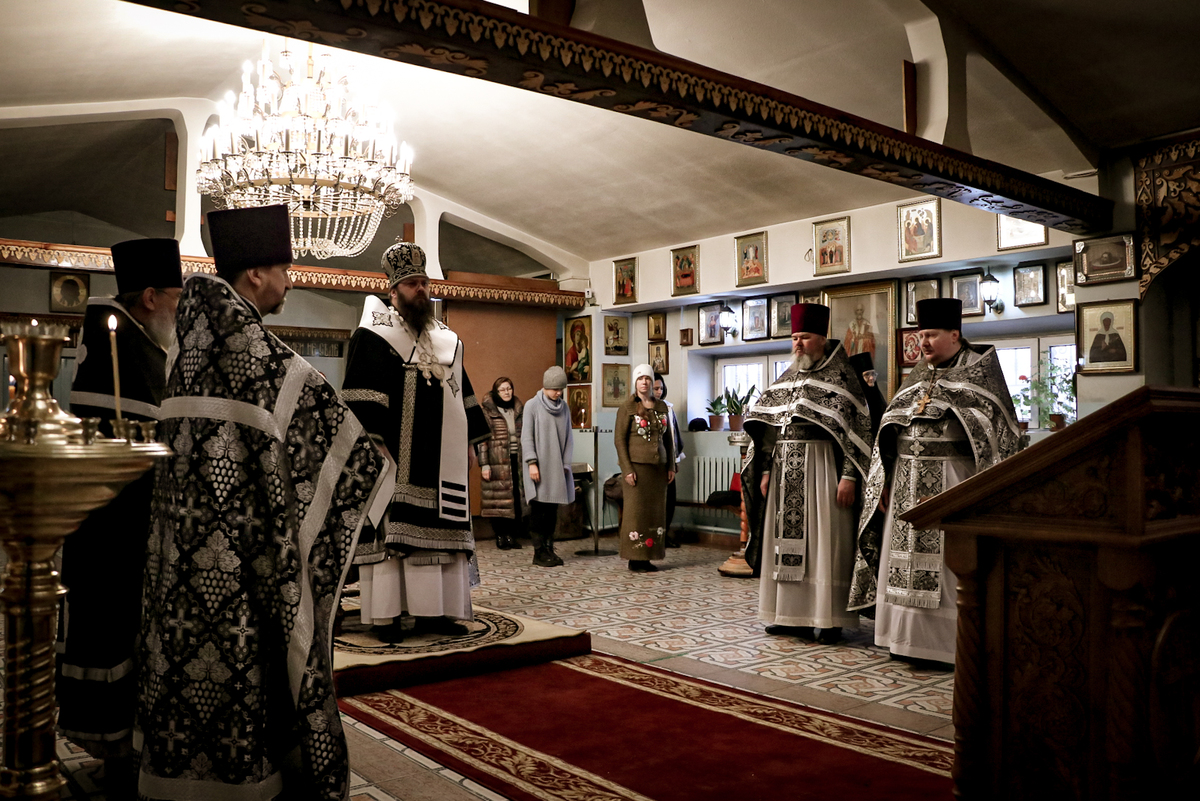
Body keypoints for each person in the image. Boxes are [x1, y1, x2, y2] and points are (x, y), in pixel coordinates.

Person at [135, 205, 387, 801]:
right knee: (246, 669)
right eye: (284, 269)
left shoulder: (184, 348)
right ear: (254, 275)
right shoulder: (256, 353)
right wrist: (372, 464)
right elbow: (339, 445)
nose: (289, 281)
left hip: (177, 569)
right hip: (241, 568)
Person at [58, 237, 182, 791]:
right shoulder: (119, 347)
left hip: (133, 523)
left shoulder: (143, 344)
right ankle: (114, 752)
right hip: (114, 529)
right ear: (150, 297)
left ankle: (132, 746)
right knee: (113, 632)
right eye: (176, 298)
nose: (180, 311)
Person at [849, 298, 1021, 666]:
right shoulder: (917, 378)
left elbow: (1000, 434)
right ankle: (902, 639)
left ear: (955, 334)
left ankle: (944, 646)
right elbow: (889, 431)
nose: (923, 342)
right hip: (904, 484)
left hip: (952, 483)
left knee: (945, 566)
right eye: (921, 335)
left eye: (931, 335)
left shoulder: (979, 374)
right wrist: (883, 481)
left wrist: (959, 413)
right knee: (902, 561)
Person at [342, 241, 491, 642]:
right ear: (393, 290)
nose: (421, 289)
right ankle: (387, 617)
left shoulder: (445, 339)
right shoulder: (373, 335)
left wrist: (469, 443)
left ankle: (435, 614)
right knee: (394, 539)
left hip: (441, 461)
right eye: (411, 284)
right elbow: (360, 394)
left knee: (441, 535)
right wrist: (374, 445)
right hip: (395, 459)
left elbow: (463, 393)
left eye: (424, 282)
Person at [740, 304, 874, 644]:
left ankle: (828, 618)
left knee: (825, 544)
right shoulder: (787, 377)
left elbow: (858, 432)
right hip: (785, 472)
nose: (798, 344)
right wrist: (766, 469)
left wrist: (850, 477)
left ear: (822, 339)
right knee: (783, 545)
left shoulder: (842, 377)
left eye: (805, 337)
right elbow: (769, 429)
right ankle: (789, 616)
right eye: (795, 337)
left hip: (823, 469)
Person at [615, 363, 676, 571]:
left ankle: (649, 556)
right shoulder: (627, 408)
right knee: (636, 514)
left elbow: (668, 440)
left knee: (654, 513)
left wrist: (671, 465)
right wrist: (627, 469)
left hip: (658, 470)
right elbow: (619, 441)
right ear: (635, 382)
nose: (644, 382)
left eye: (647, 379)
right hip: (637, 470)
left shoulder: (662, 407)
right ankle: (635, 558)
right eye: (640, 379)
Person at [521, 366, 575, 567]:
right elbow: (526, 437)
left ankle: (549, 548)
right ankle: (539, 552)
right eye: (555, 389)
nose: (558, 393)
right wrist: (531, 462)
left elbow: (569, 438)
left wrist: (566, 464)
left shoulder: (564, 408)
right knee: (539, 510)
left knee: (552, 510)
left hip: (557, 468)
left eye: (561, 389)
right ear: (545, 386)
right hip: (538, 467)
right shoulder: (532, 406)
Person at [478, 377, 527, 550]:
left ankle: (511, 536)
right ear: (496, 392)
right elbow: (482, 439)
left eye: (509, 388)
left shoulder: (518, 409)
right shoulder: (488, 411)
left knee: (515, 499)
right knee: (498, 501)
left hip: (516, 459)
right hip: (496, 461)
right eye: (503, 389)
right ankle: (500, 535)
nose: (507, 392)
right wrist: (484, 464)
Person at [653, 372, 686, 548]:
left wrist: (675, 460)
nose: (659, 392)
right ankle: (654, 536)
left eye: (661, 388)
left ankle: (664, 534)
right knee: (655, 501)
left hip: (668, 460)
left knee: (670, 499)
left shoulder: (668, 407)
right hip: (653, 461)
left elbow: (673, 435)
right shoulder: (644, 408)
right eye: (655, 389)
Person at [849, 351, 886, 432]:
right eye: (867, 375)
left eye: (873, 374)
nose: (872, 378)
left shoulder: (878, 397)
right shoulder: (852, 399)